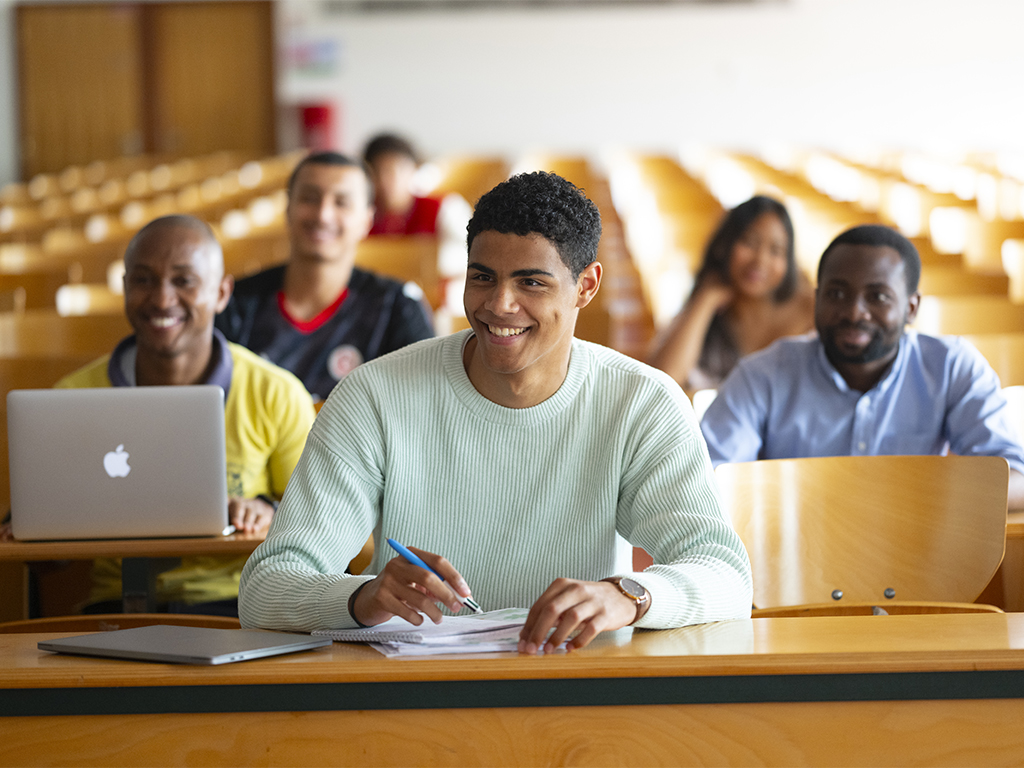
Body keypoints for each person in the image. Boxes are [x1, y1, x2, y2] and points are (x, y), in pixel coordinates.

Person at [238, 171, 752, 653]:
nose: (499, 304)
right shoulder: (374, 396)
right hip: (415, 695)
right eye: (483, 277)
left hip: (574, 690)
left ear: (587, 286)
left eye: (532, 283)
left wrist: (629, 595)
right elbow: (265, 587)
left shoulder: (642, 403)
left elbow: (725, 573)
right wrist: (361, 597)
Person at [54, 215, 316, 614]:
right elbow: (45, 552)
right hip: (117, 608)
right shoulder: (71, 398)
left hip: (241, 609)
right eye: (143, 280)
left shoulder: (276, 393)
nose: (162, 299)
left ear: (222, 293)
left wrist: (268, 511)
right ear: (124, 288)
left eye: (184, 281)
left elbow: (317, 525)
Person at [700, 224, 1024, 510]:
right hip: (793, 551)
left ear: (911, 308)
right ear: (817, 299)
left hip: (919, 549)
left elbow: (1015, 478)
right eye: (837, 293)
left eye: (878, 297)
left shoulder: (951, 367)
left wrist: (919, 502)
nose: (854, 313)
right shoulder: (762, 376)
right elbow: (706, 482)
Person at [215, 151, 434, 401]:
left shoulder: (395, 306)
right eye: (309, 199)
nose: (323, 215)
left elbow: (425, 401)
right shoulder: (237, 304)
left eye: (341, 202)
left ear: (367, 220)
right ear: (287, 209)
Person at [647, 196, 814, 390]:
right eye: (750, 242)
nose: (760, 261)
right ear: (724, 245)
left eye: (775, 251)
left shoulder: (810, 314)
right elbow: (663, 382)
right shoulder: (712, 310)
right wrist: (706, 301)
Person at [363, 133, 443, 236]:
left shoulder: (441, 210)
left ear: (414, 168)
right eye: (379, 171)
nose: (387, 179)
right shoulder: (362, 214)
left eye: (399, 169)